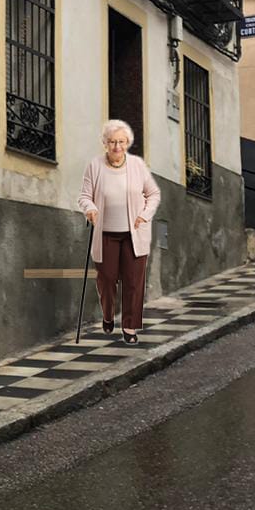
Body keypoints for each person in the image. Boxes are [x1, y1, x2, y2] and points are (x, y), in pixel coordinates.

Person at [77, 120, 161, 345]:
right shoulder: (94, 166)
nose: (117, 147)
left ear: (127, 143)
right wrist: (91, 208)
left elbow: (153, 194)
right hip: (105, 234)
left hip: (134, 234)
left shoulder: (137, 165)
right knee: (107, 279)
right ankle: (107, 313)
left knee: (134, 282)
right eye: (112, 142)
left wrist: (145, 214)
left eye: (121, 142)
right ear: (105, 143)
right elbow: (84, 196)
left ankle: (130, 327)